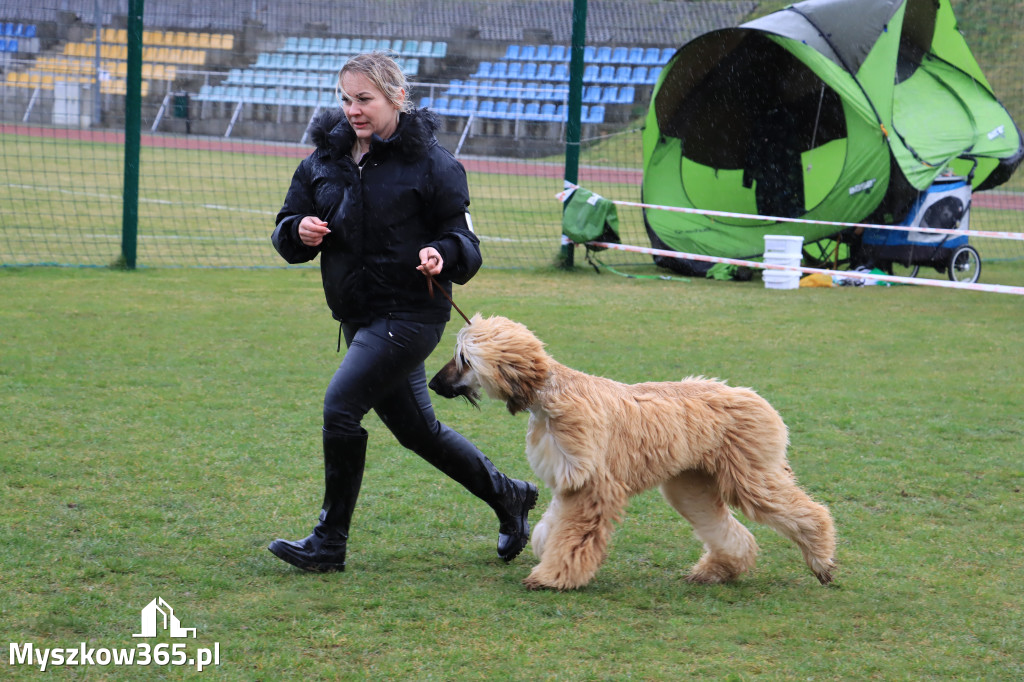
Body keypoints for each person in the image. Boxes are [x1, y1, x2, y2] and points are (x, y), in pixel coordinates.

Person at [268, 52, 537, 573]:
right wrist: (297, 230)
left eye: (364, 99)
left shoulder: (434, 164)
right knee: (418, 432)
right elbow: (285, 231)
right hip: (358, 317)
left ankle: (328, 542)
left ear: (397, 98)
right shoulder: (322, 160)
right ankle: (510, 496)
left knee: (340, 408)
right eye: (346, 98)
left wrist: (445, 253)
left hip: (412, 316)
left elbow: (467, 243)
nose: (352, 110)